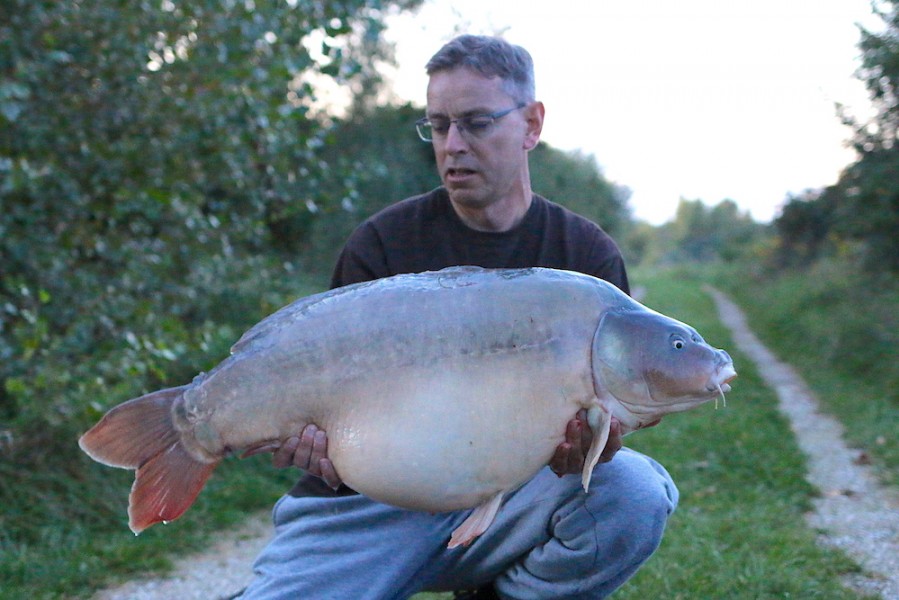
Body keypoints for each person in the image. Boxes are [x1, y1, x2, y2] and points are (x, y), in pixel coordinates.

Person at [240, 35, 678, 600]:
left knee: (633, 492)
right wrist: (314, 446)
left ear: (531, 124)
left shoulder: (585, 260)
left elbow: (595, 445)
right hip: (367, 508)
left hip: (516, 499)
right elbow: (332, 425)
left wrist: (595, 443)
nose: (453, 145)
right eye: (439, 125)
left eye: (475, 123)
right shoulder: (381, 244)